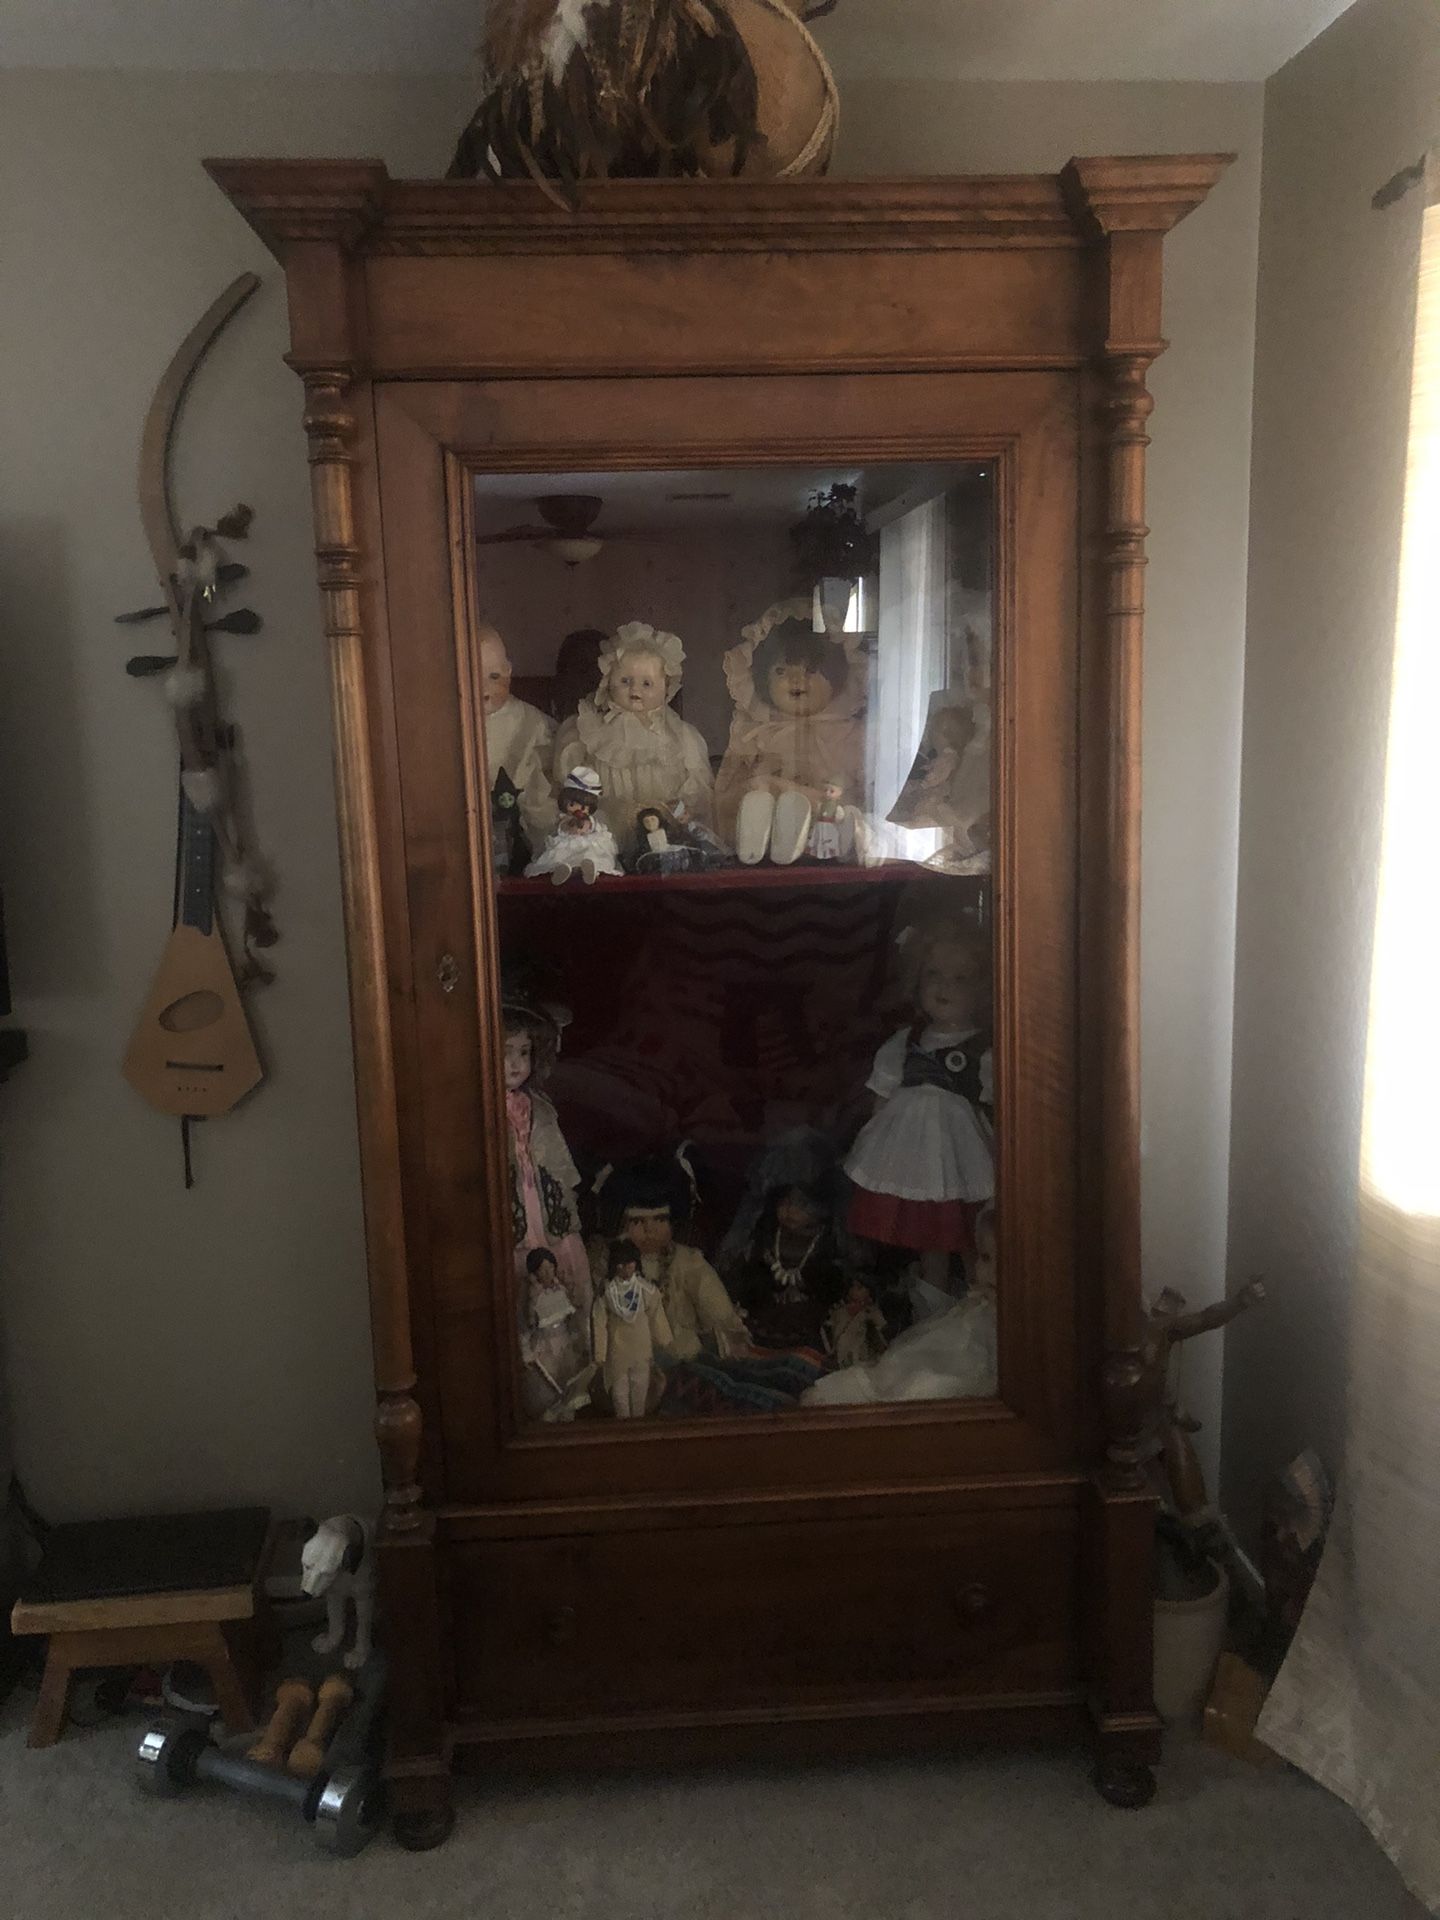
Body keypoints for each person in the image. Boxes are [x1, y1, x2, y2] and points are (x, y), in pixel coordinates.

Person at [844, 917, 994, 1298]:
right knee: (933, 1232)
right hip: (916, 1155)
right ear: (917, 979)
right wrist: (873, 1146)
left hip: (963, 1152)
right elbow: (882, 1098)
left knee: (975, 1230)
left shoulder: (986, 1050)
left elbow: (996, 1105)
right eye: (934, 974)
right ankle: (932, 1310)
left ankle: (981, 1302)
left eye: (961, 979)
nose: (945, 986)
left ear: (983, 989)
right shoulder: (905, 1042)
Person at [591, 1237, 674, 1419]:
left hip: (641, 1348)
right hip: (616, 1349)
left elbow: (656, 1315)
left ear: (636, 1264)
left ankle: (638, 1426)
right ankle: (623, 1428)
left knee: (640, 1389)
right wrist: (599, 1353)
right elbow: (599, 1322)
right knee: (619, 1393)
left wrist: (663, 1339)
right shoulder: (606, 1292)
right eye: (620, 1265)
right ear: (614, 1266)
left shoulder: (646, 1289)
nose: (626, 1269)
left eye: (630, 1264)